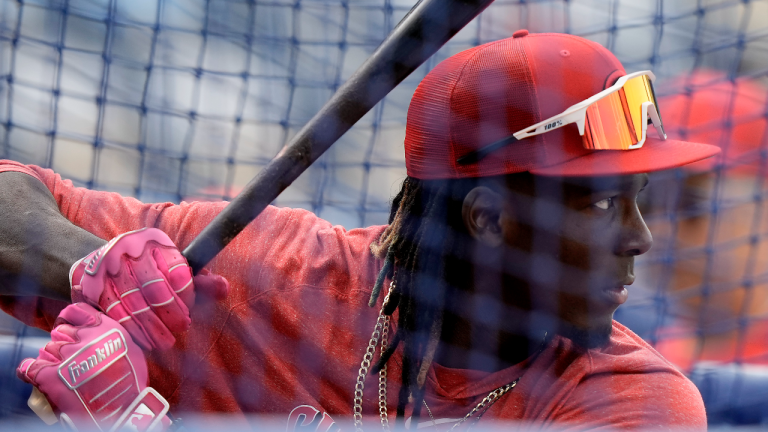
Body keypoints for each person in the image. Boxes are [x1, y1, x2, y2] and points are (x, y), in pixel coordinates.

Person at [0, 31, 720, 430]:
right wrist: (97, 267)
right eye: (601, 206)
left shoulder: (635, 401)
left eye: (638, 200)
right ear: (490, 221)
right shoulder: (265, 272)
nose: (639, 239)